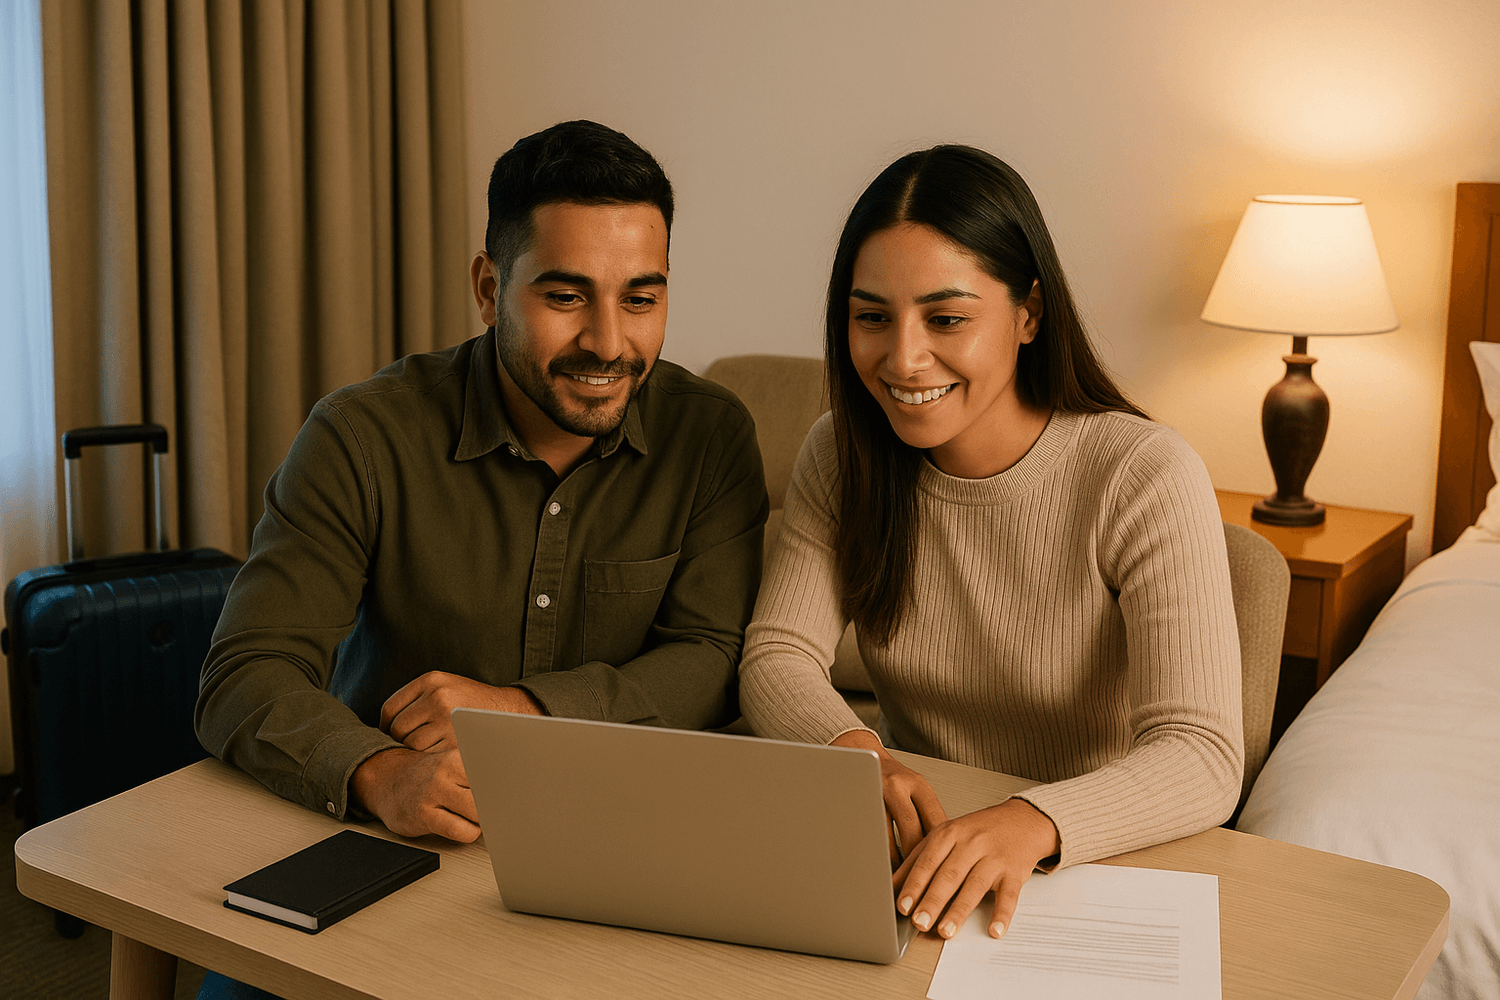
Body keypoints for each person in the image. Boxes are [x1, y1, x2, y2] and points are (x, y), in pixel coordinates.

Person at [196, 119, 768, 846]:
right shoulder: (359, 437)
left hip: (616, 820)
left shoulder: (711, 435)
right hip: (394, 827)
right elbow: (246, 669)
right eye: (565, 298)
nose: (608, 342)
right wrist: (377, 773)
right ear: (488, 286)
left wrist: (522, 709)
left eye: (639, 300)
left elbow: (714, 659)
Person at [738, 145, 1242, 946]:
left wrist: (1029, 820)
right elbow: (775, 655)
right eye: (872, 316)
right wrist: (856, 755)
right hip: (919, 856)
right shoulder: (841, 452)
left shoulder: (1142, 473)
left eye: (946, 318)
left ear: (1030, 313)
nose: (902, 359)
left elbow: (1202, 754)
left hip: (1089, 861)